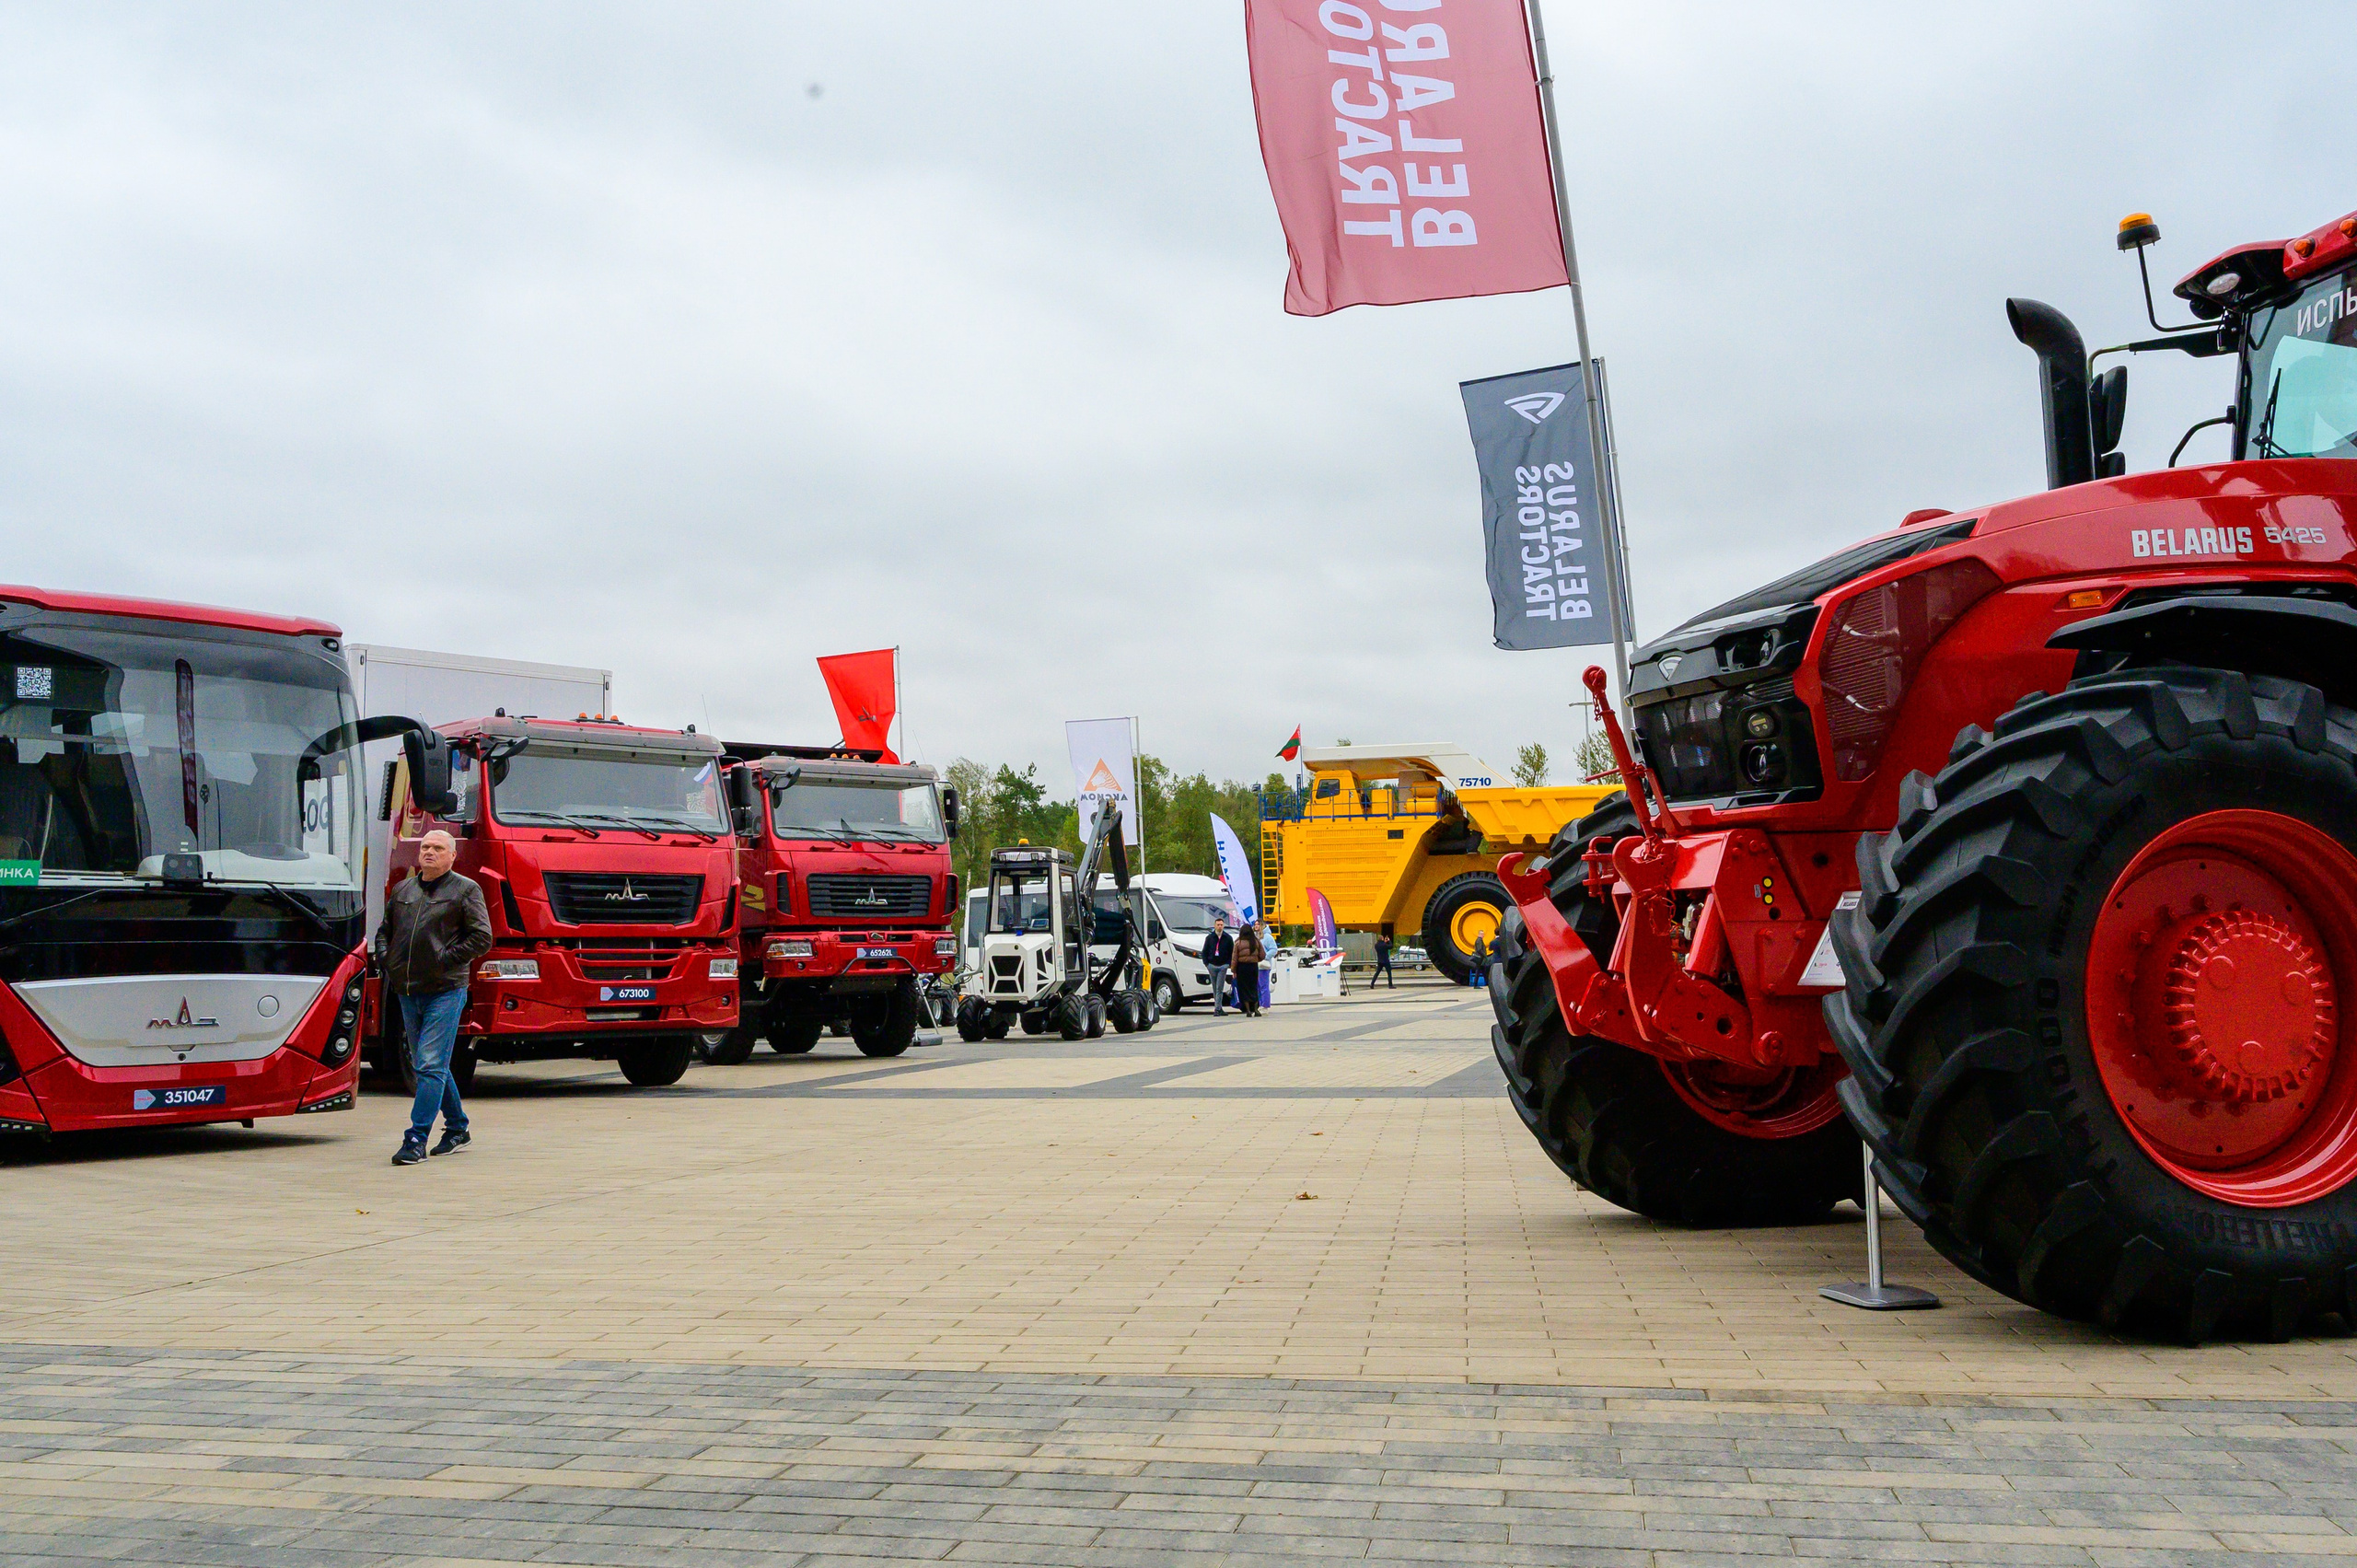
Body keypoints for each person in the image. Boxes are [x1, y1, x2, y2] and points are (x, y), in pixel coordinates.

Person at [377, 828, 493, 1167]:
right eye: (425, 846)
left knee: (429, 1063)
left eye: (438, 848)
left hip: (445, 989)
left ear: (452, 855)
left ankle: (415, 1139)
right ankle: (458, 1128)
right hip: (407, 989)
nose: (429, 852)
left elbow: (481, 937)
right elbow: (385, 931)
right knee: (431, 1064)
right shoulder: (403, 889)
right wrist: (388, 961)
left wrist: (444, 959)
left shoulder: (465, 890)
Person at [1201, 914, 1235, 1016]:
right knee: (1215, 987)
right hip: (1212, 965)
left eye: (1221, 925)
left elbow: (1231, 952)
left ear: (1223, 926)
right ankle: (1218, 1008)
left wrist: (1228, 964)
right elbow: (1204, 951)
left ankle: (1217, 1009)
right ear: (1215, 926)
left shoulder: (1228, 938)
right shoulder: (1210, 938)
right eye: (1218, 924)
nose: (1220, 926)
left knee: (1219, 987)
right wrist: (1206, 964)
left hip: (1222, 966)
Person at [1231, 921, 1264, 1017]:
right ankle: (1256, 1009)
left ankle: (1248, 1011)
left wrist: (1233, 970)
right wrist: (1256, 959)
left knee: (1244, 988)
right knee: (1254, 987)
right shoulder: (1256, 941)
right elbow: (1262, 955)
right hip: (1253, 966)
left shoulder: (1238, 942)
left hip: (1242, 967)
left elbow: (1234, 958)